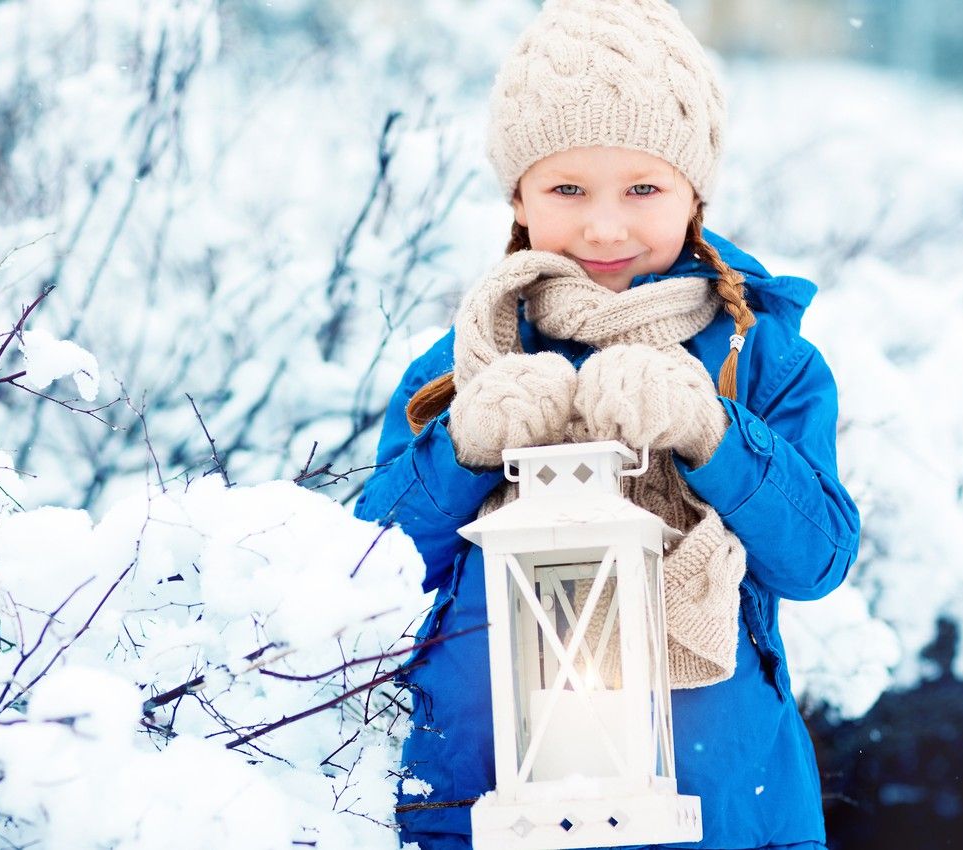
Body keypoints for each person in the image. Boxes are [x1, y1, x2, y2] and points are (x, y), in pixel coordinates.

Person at [351, 1, 861, 849]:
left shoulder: (762, 357)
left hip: (719, 812)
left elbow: (817, 561)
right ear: (518, 194)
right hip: (479, 807)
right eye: (567, 188)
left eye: (643, 188)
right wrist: (463, 448)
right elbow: (367, 575)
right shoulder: (463, 362)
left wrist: (715, 435)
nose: (605, 224)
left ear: (694, 192)